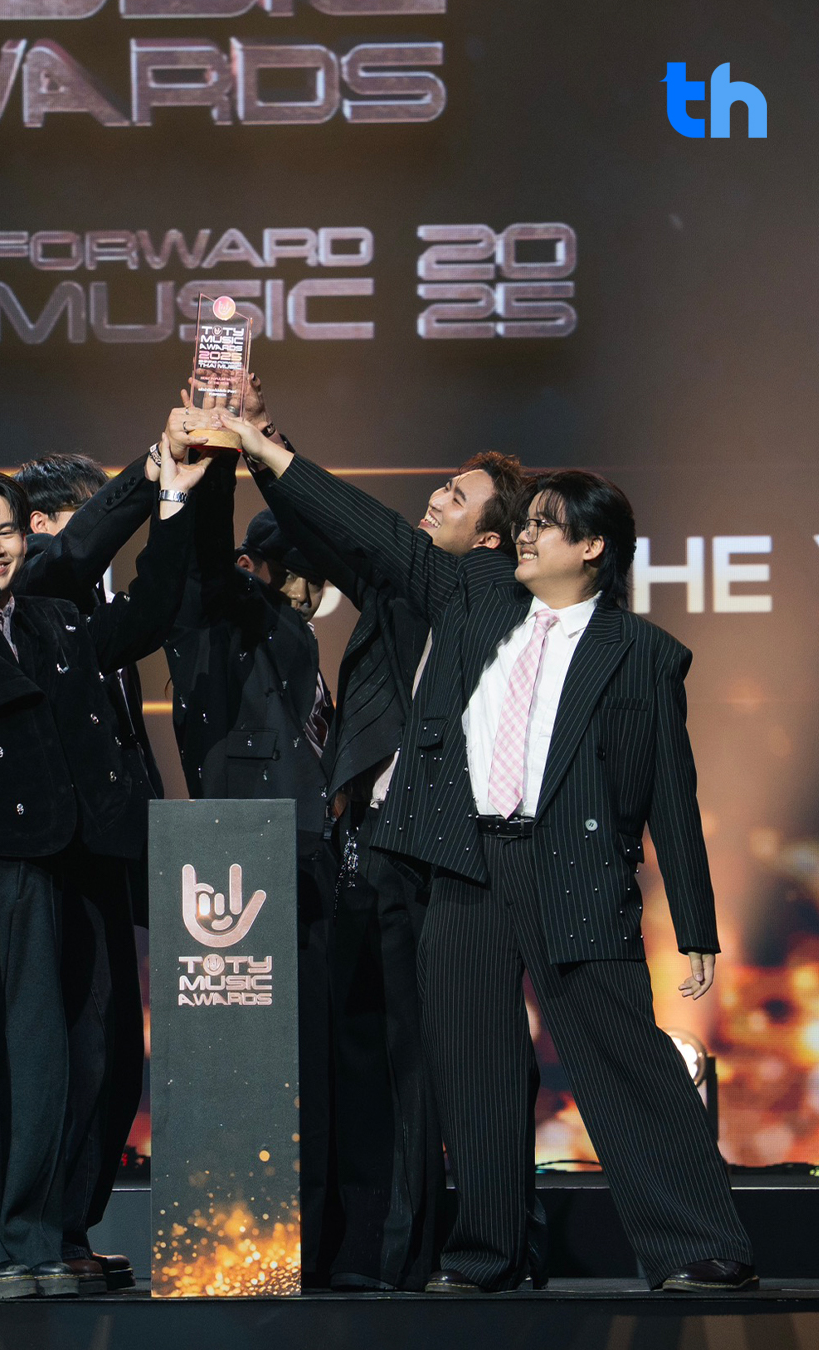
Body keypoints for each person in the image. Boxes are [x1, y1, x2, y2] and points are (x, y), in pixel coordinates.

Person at [220, 417, 756, 1295]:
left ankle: (696, 1243)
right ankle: (488, 1254)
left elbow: (670, 790)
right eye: (527, 520)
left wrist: (695, 922)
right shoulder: (476, 597)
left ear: (592, 548)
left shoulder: (641, 654)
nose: (527, 536)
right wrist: (264, 448)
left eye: (546, 525)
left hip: (572, 874)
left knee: (625, 1060)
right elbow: (376, 532)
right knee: (473, 1071)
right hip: (468, 864)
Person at [248, 422, 528, 1291]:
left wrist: (267, 446)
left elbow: (368, 531)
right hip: (376, 846)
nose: (436, 497)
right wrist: (259, 449)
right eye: (442, 483)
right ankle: (380, 1252)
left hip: (452, 854)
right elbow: (335, 527)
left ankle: (462, 1247)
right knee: (377, 1051)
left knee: (448, 1059)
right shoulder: (405, 591)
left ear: (492, 540)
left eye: (458, 495)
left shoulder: (486, 599)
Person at [13, 445, 204, 1291]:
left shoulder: (94, 609)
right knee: (75, 1049)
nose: (109, 532)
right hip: (58, 862)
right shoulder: (29, 595)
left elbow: (156, 601)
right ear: (42, 525)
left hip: (116, 854)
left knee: (118, 1053)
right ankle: (43, 1234)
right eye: (94, 514)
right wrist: (148, 471)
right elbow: (71, 554)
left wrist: (176, 501)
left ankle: (70, 1229)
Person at [161, 401, 341, 1284]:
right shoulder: (223, 606)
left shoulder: (293, 630)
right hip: (243, 859)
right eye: (303, 576)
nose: (314, 594)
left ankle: (310, 1244)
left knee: (309, 1066)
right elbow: (205, 546)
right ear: (261, 565)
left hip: (303, 857)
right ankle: (239, 1254)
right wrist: (233, 451)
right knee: (249, 1071)